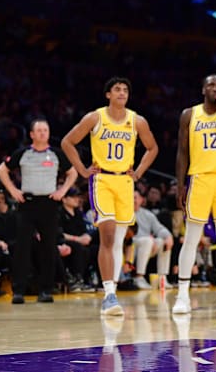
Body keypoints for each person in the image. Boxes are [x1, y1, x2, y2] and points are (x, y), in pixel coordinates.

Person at [61, 77, 159, 315]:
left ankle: (112, 292)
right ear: (108, 94)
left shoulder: (137, 120)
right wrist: (83, 170)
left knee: (119, 240)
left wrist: (138, 172)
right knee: (107, 235)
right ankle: (108, 294)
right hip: (102, 180)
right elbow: (67, 142)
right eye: (117, 89)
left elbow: (152, 148)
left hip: (125, 182)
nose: (122, 93)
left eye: (125, 90)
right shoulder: (96, 117)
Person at [172, 74, 216, 315]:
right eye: (211, 85)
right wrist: (180, 184)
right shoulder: (189, 114)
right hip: (200, 179)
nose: (215, 88)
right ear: (203, 89)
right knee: (191, 237)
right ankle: (182, 295)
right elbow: (182, 152)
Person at [0, 119, 78, 304]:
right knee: (22, 248)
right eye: (39, 130)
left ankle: (46, 290)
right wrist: (13, 191)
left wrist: (62, 191)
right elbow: (2, 170)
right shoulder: (23, 153)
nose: (43, 133)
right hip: (27, 203)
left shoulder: (56, 154)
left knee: (48, 248)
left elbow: (72, 172)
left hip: (49, 203)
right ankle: (19, 291)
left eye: (45, 130)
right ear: (32, 134)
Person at [131, 190, 174, 290]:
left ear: (142, 200)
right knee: (148, 240)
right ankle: (139, 277)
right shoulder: (124, 213)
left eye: (135, 197)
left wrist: (168, 236)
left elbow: (159, 228)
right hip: (130, 246)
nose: (133, 200)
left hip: (147, 246)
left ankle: (162, 278)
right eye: (130, 197)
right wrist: (150, 240)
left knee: (162, 242)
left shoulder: (147, 214)